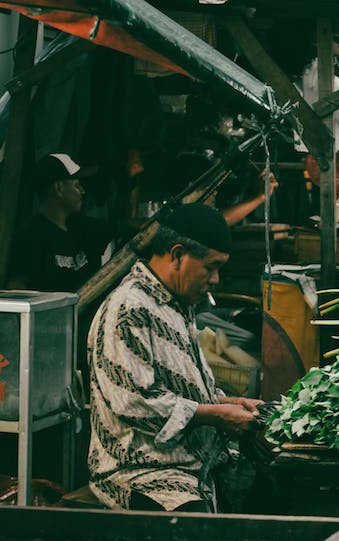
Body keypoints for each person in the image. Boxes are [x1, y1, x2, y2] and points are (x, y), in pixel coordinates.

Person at [87, 202, 262, 512]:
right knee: (198, 528)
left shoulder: (178, 304)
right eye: (211, 267)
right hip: (140, 470)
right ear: (178, 255)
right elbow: (135, 402)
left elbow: (186, 390)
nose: (216, 279)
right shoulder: (130, 308)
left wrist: (232, 404)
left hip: (192, 462)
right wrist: (218, 415)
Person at [7, 153, 112, 292]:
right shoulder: (30, 236)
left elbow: (126, 228)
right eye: (77, 185)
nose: (83, 191)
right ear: (59, 188)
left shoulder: (82, 226)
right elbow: (17, 291)